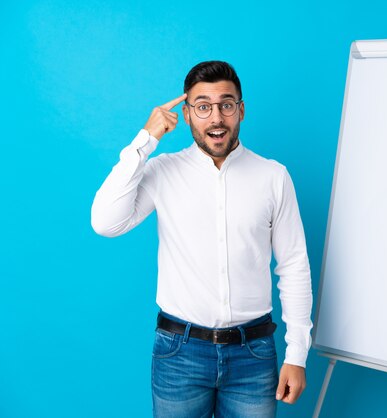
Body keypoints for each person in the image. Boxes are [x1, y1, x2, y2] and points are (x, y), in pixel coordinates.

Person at [91, 61, 313, 417]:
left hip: (253, 355)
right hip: (179, 354)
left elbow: (294, 267)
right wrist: (145, 139)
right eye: (203, 106)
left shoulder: (273, 177)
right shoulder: (163, 170)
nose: (216, 118)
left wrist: (297, 354)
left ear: (240, 110)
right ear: (188, 114)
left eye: (226, 104)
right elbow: (105, 222)